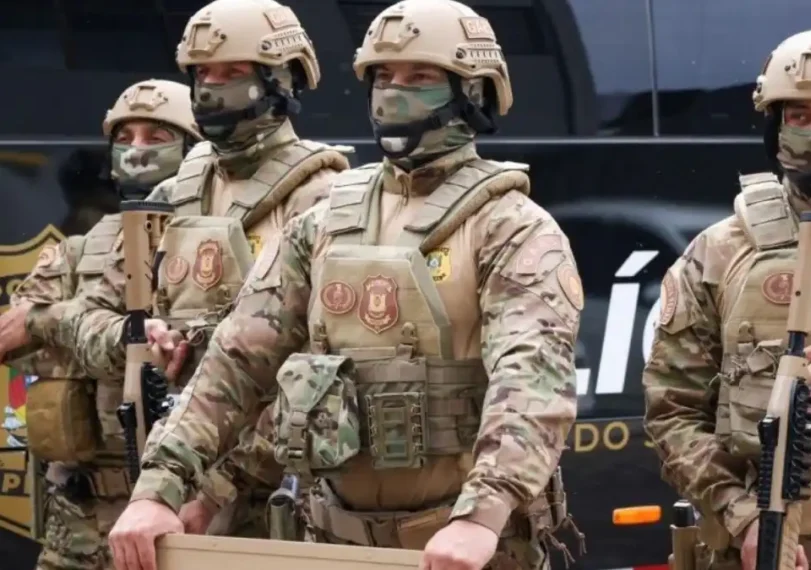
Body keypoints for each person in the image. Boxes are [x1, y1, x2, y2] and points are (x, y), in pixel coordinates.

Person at [100, 1, 583, 570]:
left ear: (473, 91)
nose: (393, 94)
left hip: (469, 550)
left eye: (419, 78)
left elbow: (531, 384)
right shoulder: (325, 221)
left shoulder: (511, 227)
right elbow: (236, 360)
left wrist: (481, 516)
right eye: (384, 77)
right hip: (334, 542)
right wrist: (159, 488)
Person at [45, 0, 352, 543]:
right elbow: (85, 317)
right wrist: (135, 336)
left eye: (232, 73)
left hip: (280, 492)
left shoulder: (324, 198)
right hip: (171, 476)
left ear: (280, 79)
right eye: (202, 74)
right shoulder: (172, 195)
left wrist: (219, 487)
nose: (211, 88)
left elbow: (326, 367)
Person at [643, 28, 811, 570]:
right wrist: (742, 516)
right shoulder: (721, 250)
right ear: (776, 126)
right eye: (799, 115)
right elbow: (672, 411)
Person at [0, 78, 201, 570]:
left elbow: (187, 356)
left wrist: (53, 324)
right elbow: (14, 337)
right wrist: (93, 335)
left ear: (194, 150)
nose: (136, 151)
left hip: (176, 508)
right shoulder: (81, 248)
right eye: (124, 138)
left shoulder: (211, 243)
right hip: (79, 513)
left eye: (156, 137)